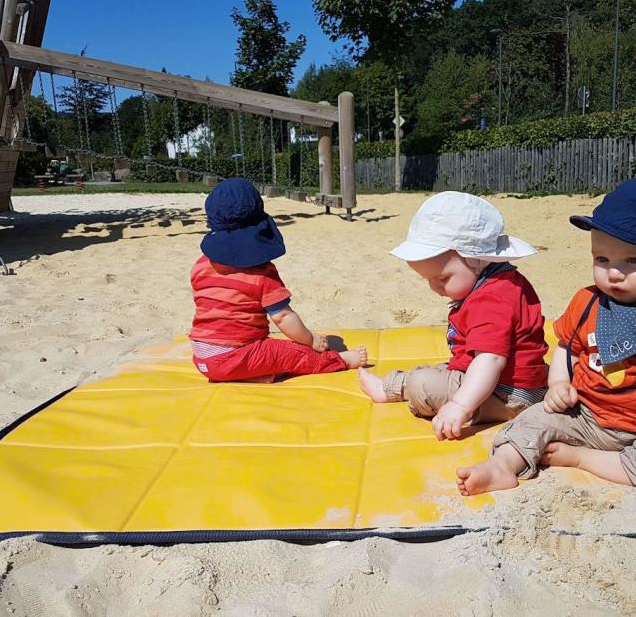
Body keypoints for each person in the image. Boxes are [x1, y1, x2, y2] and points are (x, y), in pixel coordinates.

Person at [457, 177, 636, 495]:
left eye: (634, 260)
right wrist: (558, 384)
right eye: (601, 259)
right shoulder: (588, 301)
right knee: (532, 419)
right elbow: (569, 347)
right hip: (587, 414)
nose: (614, 272)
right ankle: (501, 467)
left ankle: (580, 458)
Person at [359, 192, 549, 440]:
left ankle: (392, 389)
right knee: (438, 372)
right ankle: (396, 385)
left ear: (476, 259)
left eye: (442, 278)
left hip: (508, 395)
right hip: (505, 385)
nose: (435, 288)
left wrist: (460, 407)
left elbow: (490, 361)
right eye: (428, 280)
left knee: (424, 383)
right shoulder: (498, 283)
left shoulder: (491, 299)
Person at [189, 178, 367, 382]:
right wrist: (310, 340)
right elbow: (282, 316)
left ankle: (247, 376)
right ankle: (340, 361)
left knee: (260, 354)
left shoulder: (200, 265)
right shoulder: (261, 272)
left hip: (202, 359)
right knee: (292, 353)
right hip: (235, 355)